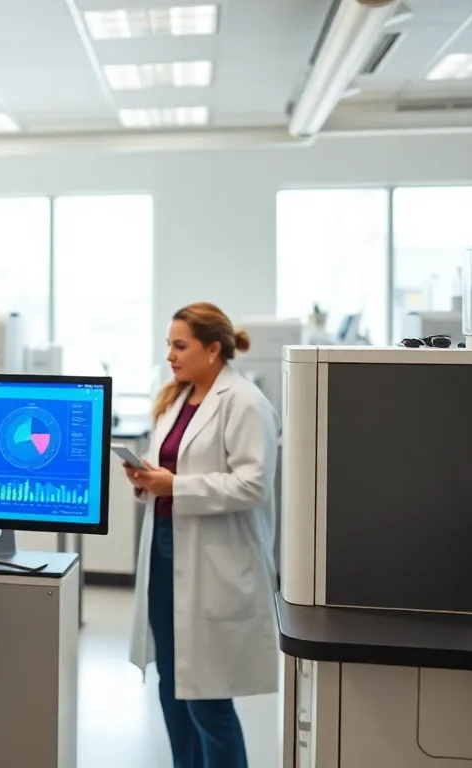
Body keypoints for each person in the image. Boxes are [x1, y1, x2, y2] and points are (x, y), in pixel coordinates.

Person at [125, 302, 280, 768]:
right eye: (168, 345)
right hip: (165, 550)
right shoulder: (177, 398)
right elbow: (172, 467)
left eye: (180, 345)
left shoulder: (245, 402)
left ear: (213, 349)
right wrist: (148, 481)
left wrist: (175, 486)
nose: (169, 355)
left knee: (208, 701)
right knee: (172, 688)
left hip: (215, 561)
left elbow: (253, 484)